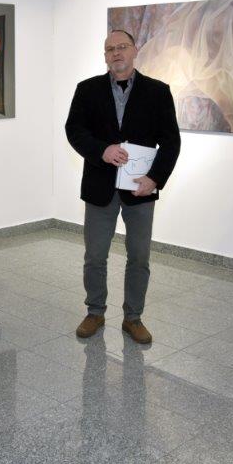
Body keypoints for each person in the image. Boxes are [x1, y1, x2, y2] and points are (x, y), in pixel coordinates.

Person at [65, 30, 181, 344]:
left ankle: (133, 318)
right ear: (105, 55)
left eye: (122, 47)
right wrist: (101, 150)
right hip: (99, 185)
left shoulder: (158, 91)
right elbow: (74, 130)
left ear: (135, 50)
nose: (116, 53)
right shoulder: (87, 89)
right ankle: (95, 312)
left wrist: (155, 178)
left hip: (140, 188)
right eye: (110, 49)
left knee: (139, 257)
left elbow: (171, 141)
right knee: (95, 256)